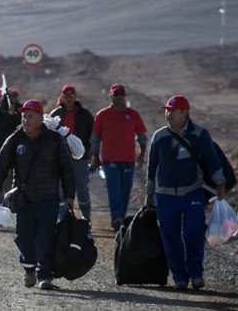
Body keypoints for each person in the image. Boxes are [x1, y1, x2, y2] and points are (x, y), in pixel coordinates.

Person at [0, 100, 75, 290]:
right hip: (24, 199)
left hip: (49, 197)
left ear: (41, 118)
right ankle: (29, 269)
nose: (26, 120)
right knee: (23, 236)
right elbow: (0, 167)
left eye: (31, 116)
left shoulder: (53, 140)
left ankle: (45, 276)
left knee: (45, 236)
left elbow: (66, 168)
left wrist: (69, 195)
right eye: (24, 116)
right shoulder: (15, 140)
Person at [145, 95, 225, 291]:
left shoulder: (199, 134)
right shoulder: (159, 136)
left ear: (184, 113)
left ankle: (196, 273)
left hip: (192, 192)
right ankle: (179, 276)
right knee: (170, 237)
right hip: (165, 195)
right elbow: (151, 168)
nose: (168, 114)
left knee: (194, 231)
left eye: (173, 111)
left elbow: (211, 160)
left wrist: (220, 182)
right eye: (167, 110)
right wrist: (149, 194)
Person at [90, 83, 147, 231]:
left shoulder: (133, 114)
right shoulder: (102, 115)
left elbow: (141, 136)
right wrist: (95, 156)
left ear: (125, 96)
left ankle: (121, 216)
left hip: (128, 159)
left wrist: (142, 153)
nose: (119, 97)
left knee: (125, 189)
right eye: (116, 94)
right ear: (111, 96)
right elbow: (95, 138)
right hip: (110, 159)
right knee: (114, 188)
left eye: (121, 94)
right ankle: (116, 217)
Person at [49, 85, 94, 220]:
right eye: (66, 95)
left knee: (82, 187)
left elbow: (92, 134)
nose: (68, 98)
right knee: (61, 188)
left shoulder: (85, 114)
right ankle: (62, 219)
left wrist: (92, 151)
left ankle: (86, 218)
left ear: (75, 96)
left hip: (80, 157)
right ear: (62, 97)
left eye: (71, 95)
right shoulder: (55, 114)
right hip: (60, 157)